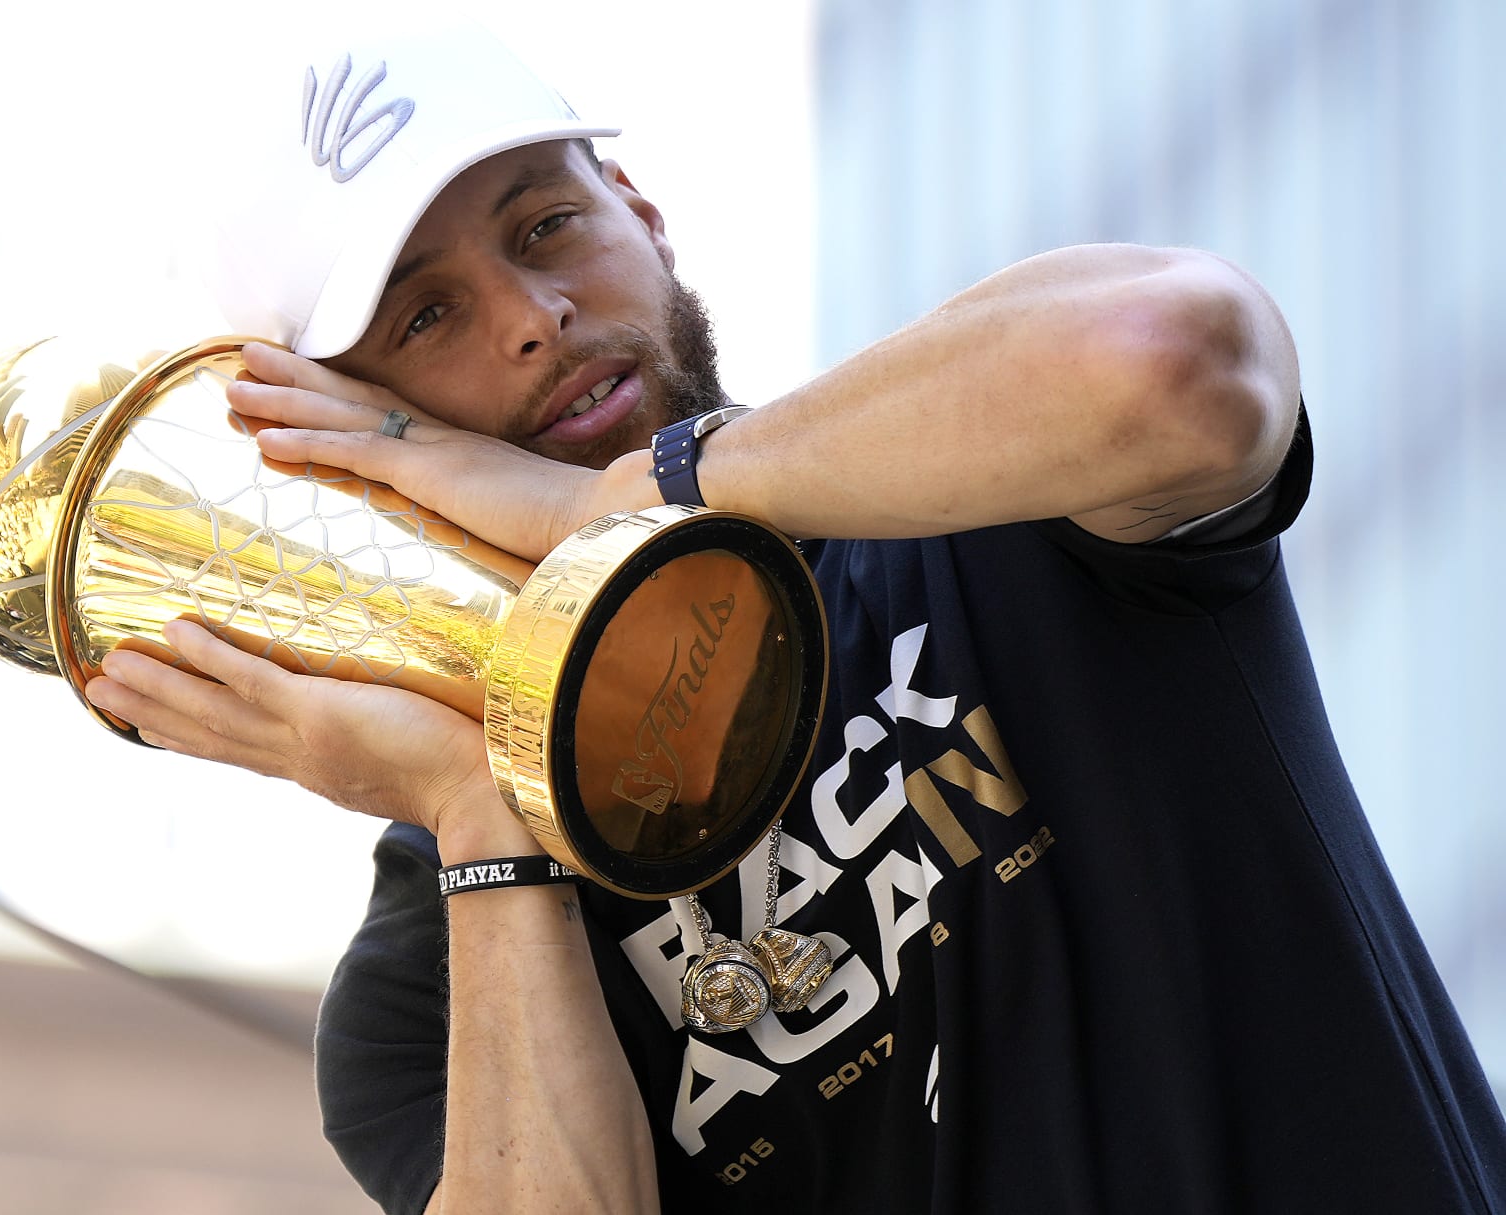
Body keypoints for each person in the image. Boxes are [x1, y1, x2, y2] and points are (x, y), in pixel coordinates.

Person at [82, 18, 1506, 1215]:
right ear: (328, 445)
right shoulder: (426, 987)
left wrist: (630, 506)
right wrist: (478, 802)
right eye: (426, 320)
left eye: (547, 224)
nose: (531, 316)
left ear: (641, 215)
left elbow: (1174, 358)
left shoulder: (990, 495)